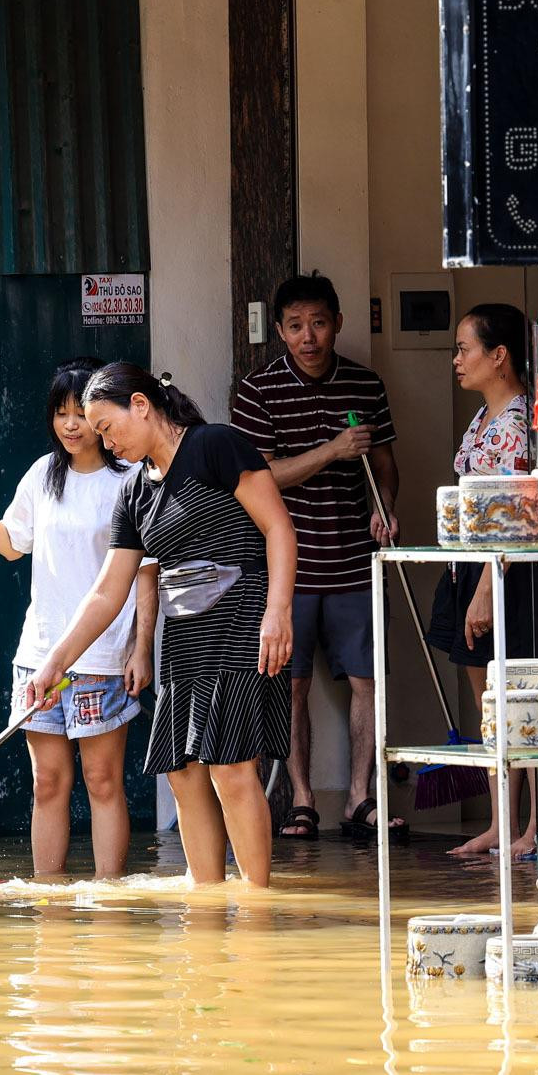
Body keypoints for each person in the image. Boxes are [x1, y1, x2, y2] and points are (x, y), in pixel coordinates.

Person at [25, 364, 295, 888]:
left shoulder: (215, 445)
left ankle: (257, 905)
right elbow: (107, 592)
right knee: (183, 773)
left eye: (107, 428)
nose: (106, 442)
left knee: (231, 768)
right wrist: (54, 663)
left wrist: (278, 611)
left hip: (243, 619)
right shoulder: (134, 492)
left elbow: (278, 527)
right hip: (185, 635)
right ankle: (208, 899)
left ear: (141, 406)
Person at [0, 359, 157, 879]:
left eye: (80, 413)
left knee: (103, 782)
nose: (71, 425)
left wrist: (141, 646)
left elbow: (146, 573)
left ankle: (109, 898)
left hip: (103, 659)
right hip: (39, 656)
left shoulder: (129, 479)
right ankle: (49, 899)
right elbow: (11, 543)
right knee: (48, 784)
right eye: (61, 414)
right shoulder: (43, 474)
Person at [230, 274, 402, 842]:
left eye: (319, 323)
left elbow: (385, 467)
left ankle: (360, 797)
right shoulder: (257, 391)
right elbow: (260, 478)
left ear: (338, 324)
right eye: (297, 326)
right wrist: (332, 450)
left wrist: (385, 508)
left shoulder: (365, 384)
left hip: (355, 559)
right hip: (288, 569)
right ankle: (302, 799)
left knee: (367, 682)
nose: (309, 337)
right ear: (280, 331)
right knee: (291, 686)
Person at [425, 303, 538, 857]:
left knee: (528, 699)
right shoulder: (483, 417)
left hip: (511, 575)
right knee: (490, 705)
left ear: (499, 354)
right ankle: (501, 823)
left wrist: (486, 587)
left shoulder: (521, 422)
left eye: (465, 349)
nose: (456, 360)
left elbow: (515, 513)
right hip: (469, 569)